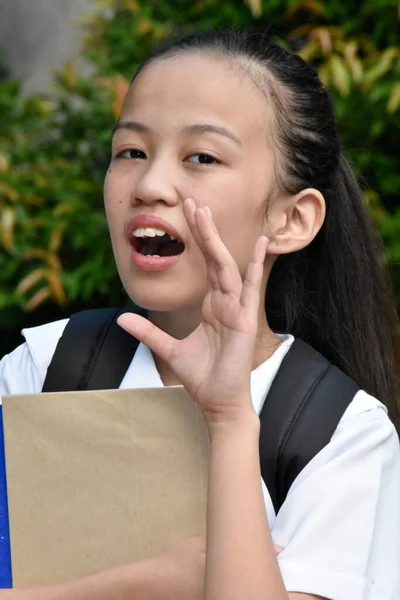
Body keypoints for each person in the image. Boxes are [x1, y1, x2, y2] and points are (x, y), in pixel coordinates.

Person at [1, 26, 399, 600]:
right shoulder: (42, 370)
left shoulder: (341, 436)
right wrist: (147, 584)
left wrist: (231, 421)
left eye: (202, 157)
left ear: (293, 219)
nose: (150, 185)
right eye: (131, 152)